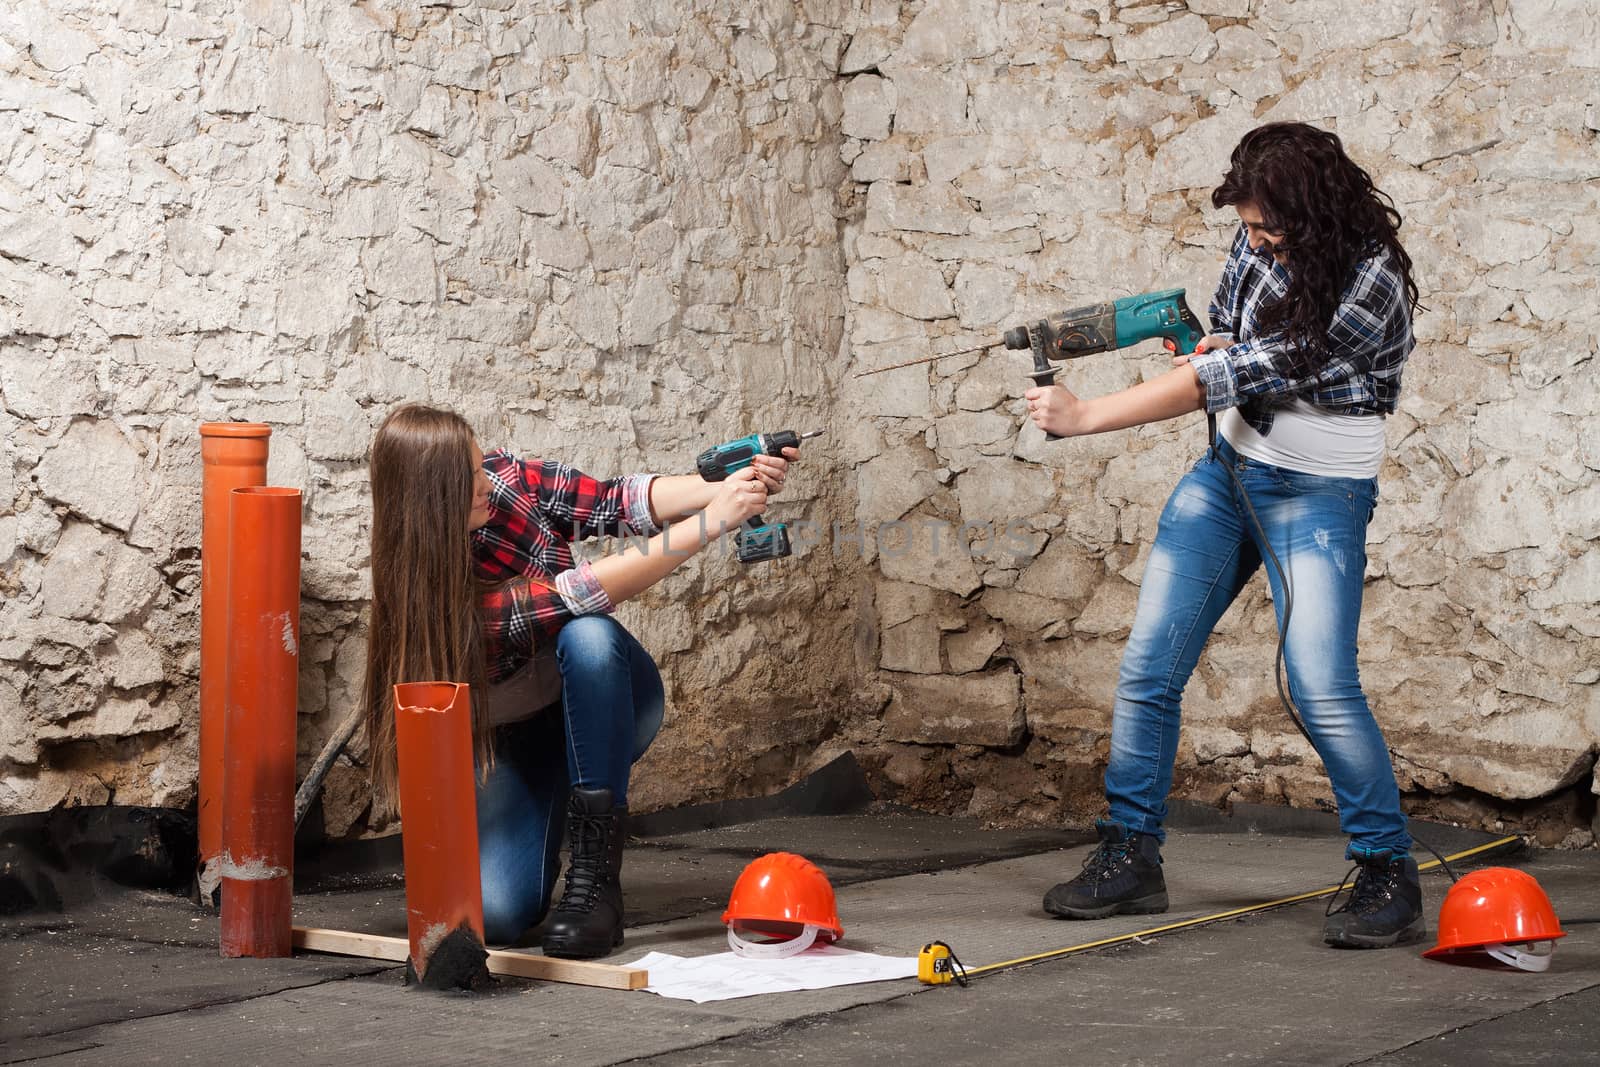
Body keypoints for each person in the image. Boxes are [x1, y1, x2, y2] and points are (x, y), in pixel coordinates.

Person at [1023, 122, 1424, 949]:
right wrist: (1222, 343)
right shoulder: (1254, 241)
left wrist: (1087, 414)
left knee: (1319, 685)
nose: (1255, 241)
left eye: (1269, 228)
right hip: (1229, 475)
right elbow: (1237, 344)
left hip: (1318, 493)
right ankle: (1130, 854)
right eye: (1247, 226)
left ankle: (1389, 869)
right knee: (1147, 669)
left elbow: (1251, 370)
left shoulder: (1374, 278)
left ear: (1319, 212)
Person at [361, 405, 798, 958]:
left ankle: (595, 883)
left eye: (479, 466)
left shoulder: (506, 482)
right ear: (432, 496)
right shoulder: (425, 594)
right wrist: (713, 520)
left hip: (603, 699)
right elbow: (577, 590)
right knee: (496, 914)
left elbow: (617, 501)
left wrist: (721, 486)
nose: (486, 483)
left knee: (589, 637)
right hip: (509, 744)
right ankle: (552, 809)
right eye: (469, 477)